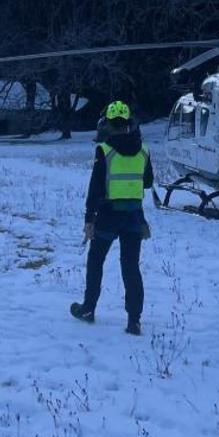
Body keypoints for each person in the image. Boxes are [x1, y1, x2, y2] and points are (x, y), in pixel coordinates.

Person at [70, 100, 154, 336]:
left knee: (96, 261)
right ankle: (134, 320)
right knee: (130, 267)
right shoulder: (144, 151)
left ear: (106, 123)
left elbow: (94, 189)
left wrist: (89, 218)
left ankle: (88, 309)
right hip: (134, 216)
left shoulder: (104, 151)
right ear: (128, 123)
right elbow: (147, 182)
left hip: (107, 215)